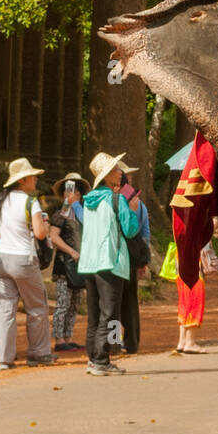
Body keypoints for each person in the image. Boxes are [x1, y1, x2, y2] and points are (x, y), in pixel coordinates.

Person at [77, 151, 141, 377]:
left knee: (95, 314)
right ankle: (102, 359)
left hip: (89, 263)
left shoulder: (89, 201)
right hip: (110, 262)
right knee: (110, 313)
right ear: (106, 176)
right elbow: (131, 229)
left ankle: (94, 357)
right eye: (115, 169)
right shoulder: (117, 199)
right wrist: (132, 211)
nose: (120, 172)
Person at [0, 157, 53, 369]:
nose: (35, 180)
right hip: (23, 259)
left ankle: (4, 358)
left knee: (5, 309)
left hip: (1, 259)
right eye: (33, 177)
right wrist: (45, 225)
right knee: (36, 305)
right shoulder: (30, 202)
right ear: (23, 180)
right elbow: (39, 234)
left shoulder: (1, 200)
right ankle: (38, 352)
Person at [49, 171, 88, 352]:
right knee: (63, 303)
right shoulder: (61, 214)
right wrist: (71, 251)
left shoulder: (83, 213)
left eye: (74, 191)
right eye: (68, 190)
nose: (71, 194)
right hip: (65, 264)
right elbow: (53, 236)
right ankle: (59, 339)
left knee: (75, 303)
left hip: (80, 264)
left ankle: (68, 336)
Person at [117, 164, 149, 355]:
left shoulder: (118, 199)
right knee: (129, 301)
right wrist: (142, 260)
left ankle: (114, 343)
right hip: (131, 256)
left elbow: (130, 229)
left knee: (112, 303)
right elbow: (144, 232)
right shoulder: (137, 201)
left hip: (116, 257)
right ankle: (131, 342)